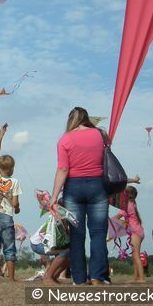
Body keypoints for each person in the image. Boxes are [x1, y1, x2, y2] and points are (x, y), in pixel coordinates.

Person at [49, 107, 108, 286]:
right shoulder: (101, 134)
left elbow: (63, 169)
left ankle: (79, 279)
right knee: (98, 233)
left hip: (73, 188)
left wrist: (53, 198)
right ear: (87, 118)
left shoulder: (64, 139)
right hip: (98, 185)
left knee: (77, 235)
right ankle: (97, 276)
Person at [0, 123, 21, 283]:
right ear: (12, 169)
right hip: (6, 217)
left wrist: (0, 136)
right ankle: (12, 277)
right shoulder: (14, 181)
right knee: (9, 247)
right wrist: (18, 208)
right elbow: (15, 203)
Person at [114, 185, 144, 282]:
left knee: (136, 256)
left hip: (135, 232)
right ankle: (136, 277)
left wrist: (121, 223)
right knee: (135, 255)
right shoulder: (133, 203)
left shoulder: (126, 206)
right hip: (139, 231)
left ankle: (142, 278)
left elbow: (115, 218)